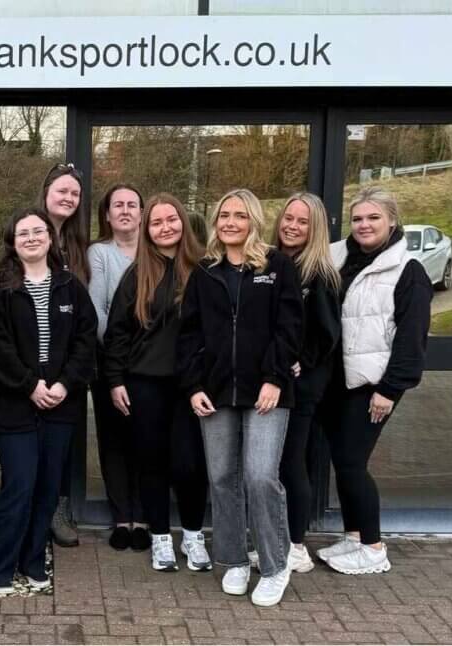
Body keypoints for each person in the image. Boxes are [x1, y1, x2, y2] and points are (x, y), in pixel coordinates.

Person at [177, 188, 303, 607]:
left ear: (254, 221)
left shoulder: (277, 266)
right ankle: (234, 560)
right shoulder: (205, 271)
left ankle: (274, 565)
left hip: (267, 390)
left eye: (240, 215)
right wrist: (194, 386)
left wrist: (275, 378)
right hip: (215, 393)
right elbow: (189, 334)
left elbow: (290, 327)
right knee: (222, 478)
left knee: (260, 476)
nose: (231, 222)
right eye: (224, 215)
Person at [0, 207, 96, 594]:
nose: (31, 238)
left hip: (61, 404)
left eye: (38, 231)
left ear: (50, 238)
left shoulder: (69, 286)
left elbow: (85, 340)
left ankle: (32, 561)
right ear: (12, 242)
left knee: (47, 488)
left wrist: (64, 384)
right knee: (19, 485)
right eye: (23, 233)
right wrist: (30, 385)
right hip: (13, 405)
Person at [318, 186, 431, 575]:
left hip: (372, 385)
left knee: (352, 463)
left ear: (392, 221)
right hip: (336, 381)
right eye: (357, 218)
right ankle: (354, 537)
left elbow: (411, 338)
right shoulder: (335, 256)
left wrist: (390, 389)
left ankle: (373, 548)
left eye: (373, 218)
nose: (363, 225)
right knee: (343, 460)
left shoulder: (407, 270)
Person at [103, 193, 211, 573]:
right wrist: (115, 379)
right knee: (152, 463)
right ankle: (161, 538)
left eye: (171, 219)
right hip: (145, 383)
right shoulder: (137, 274)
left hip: (193, 386)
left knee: (190, 464)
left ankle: (193, 536)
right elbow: (117, 332)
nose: (165, 227)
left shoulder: (204, 270)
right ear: (147, 230)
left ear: (183, 222)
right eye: (157, 222)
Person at [255, 192, 341, 574]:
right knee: (273, 464)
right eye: (288, 218)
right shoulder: (271, 263)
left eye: (302, 222)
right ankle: (277, 540)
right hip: (273, 380)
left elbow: (326, 333)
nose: (292, 226)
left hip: (300, 386)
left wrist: (300, 362)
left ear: (315, 229)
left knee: (292, 462)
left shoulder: (320, 274)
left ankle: (296, 546)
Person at [87, 183, 149, 551]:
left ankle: (142, 516)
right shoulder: (99, 253)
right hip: (110, 361)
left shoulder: (156, 251)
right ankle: (121, 517)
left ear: (142, 213)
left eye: (132, 204)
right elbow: (97, 309)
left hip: (151, 366)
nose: (125, 210)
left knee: (145, 441)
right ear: (107, 215)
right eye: (117, 205)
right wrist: (120, 354)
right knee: (113, 441)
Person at [39, 163, 89, 547]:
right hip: (36, 360)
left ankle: (56, 511)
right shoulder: (29, 231)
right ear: (46, 193)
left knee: (62, 446)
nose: (68, 198)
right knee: (30, 446)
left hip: (70, 362)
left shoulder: (77, 244)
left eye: (74, 193)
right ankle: (31, 515)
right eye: (62, 191)